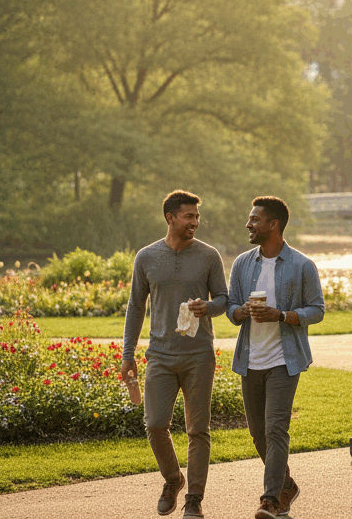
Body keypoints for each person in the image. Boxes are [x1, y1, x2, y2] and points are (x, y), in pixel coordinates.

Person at [121, 190, 229, 519]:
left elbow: (224, 300)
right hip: (160, 357)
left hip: (198, 355)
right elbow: (136, 306)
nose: (195, 222)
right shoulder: (147, 257)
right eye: (189, 216)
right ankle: (173, 479)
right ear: (171, 218)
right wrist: (128, 353)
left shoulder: (209, 256)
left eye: (197, 216)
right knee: (154, 424)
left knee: (198, 430)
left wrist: (206, 307)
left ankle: (194, 499)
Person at [227, 196, 325, 519]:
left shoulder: (302, 265)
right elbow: (231, 308)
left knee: (275, 430)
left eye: (255, 220)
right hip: (249, 360)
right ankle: (287, 485)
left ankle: (269, 500)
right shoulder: (242, 263)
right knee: (258, 433)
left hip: (285, 360)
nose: (248, 225)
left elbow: (317, 311)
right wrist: (241, 311)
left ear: (274, 225)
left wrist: (281, 315)